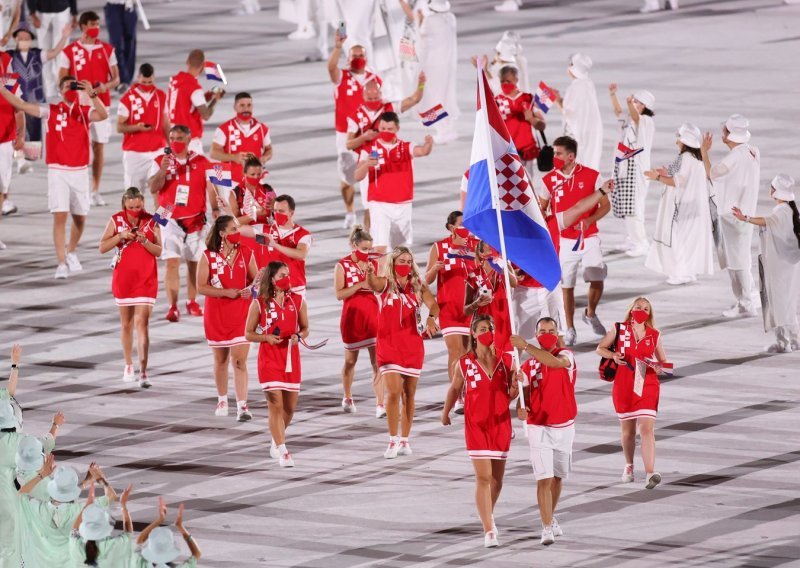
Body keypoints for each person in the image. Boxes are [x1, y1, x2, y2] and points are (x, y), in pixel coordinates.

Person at [0, 74, 108, 278]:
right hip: (58, 171)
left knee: (80, 218)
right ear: (59, 91)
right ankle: (61, 263)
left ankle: (72, 251)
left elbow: (102, 115)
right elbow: (22, 105)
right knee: (60, 216)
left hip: (79, 172)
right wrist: (3, 90)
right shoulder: (51, 110)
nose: (69, 88)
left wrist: (92, 93)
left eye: (72, 85)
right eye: (65, 85)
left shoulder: (84, 112)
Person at [442, 314, 517, 548]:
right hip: (476, 426)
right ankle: (489, 529)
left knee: (497, 480)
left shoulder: (507, 361)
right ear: (473, 334)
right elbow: (455, 389)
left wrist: (516, 385)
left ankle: (487, 513)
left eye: (491, 328)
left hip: (501, 424)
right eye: (483, 328)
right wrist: (445, 413)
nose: (488, 331)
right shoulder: (464, 363)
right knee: (483, 477)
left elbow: (511, 395)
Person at [365, 246, 440, 459]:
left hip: (413, 345)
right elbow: (373, 284)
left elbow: (434, 305)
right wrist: (369, 274)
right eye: (401, 261)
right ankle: (392, 439)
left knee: (409, 394)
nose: (405, 265)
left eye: (408, 261)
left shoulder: (418, 285)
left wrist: (431, 318)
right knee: (394, 392)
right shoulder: (386, 284)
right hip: (388, 345)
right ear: (393, 263)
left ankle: (405, 439)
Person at [538, 135, 613, 346]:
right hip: (564, 240)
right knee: (567, 285)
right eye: (554, 153)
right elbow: (541, 209)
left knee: (596, 277)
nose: (555, 157)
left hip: (588, 237)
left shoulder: (592, 176)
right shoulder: (548, 181)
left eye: (559, 153)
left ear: (571, 156)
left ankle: (590, 313)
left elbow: (605, 205)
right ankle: (569, 327)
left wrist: (590, 219)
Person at [512, 317, 577, 546]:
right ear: (536, 333)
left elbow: (555, 364)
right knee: (544, 479)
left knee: (558, 478)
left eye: (551, 330)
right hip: (538, 426)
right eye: (542, 331)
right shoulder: (528, 366)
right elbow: (521, 398)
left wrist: (525, 346)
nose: (547, 334)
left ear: (557, 333)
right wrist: (520, 406)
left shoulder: (567, 355)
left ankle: (549, 515)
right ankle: (546, 527)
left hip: (565, 427)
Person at [596, 297, 669, 489]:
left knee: (646, 429)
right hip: (624, 385)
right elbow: (600, 348)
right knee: (628, 431)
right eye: (638, 307)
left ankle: (650, 473)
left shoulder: (655, 334)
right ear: (631, 309)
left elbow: (666, 364)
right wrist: (613, 355)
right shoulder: (619, 329)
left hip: (647, 384)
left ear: (649, 313)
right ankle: (629, 465)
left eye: (646, 308)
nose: (641, 311)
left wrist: (659, 367)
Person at [148, 124, 216, 322]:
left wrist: (216, 209)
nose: (175, 142)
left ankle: (192, 301)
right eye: (172, 138)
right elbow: (153, 187)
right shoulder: (160, 160)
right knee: (172, 262)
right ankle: (172, 306)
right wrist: (162, 170)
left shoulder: (202, 161)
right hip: (168, 217)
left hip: (196, 218)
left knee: (194, 262)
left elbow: (214, 186)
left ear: (188, 139)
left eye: (179, 138)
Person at [245, 261, 309, 467]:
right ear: (271, 279)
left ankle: (276, 438)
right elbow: (248, 333)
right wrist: (265, 338)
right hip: (269, 359)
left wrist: (298, 336)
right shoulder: (259, 302)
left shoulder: (298, 300)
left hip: (291, 359)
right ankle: (283, 451)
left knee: (289, 408)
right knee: (275, 404)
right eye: (282, 275)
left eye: (288, 275)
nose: (287, 278)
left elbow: (306, 328)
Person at [98, 187, 162, 387]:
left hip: (146, 280)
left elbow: (159, 250)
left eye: (139, 206)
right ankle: (128, 365)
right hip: (124, 279)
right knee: (126, 324)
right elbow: (102, 247)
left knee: (142, 323)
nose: (136, 210)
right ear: (124, 205)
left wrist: (144, 242)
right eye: (131, 207)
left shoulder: (152, 220)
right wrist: (121, 236)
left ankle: (143, 371)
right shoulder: (116, 220)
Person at [197, 215, 258, 421]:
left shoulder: (246, 252)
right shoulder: (207, 256)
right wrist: (226, 293)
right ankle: (222, 399)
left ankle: (243, 406)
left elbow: (255, 281)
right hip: (217, 314)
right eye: (233, 229)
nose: (237, 232)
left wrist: (252, 290)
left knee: (239, 361)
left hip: (242, 314)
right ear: (222, 234)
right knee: (221, 360)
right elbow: (201, 286)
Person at [58, 10, 121, 206]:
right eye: (93, 24)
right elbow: (62, 79)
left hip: (100, 104)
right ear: (83, 26)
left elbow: (117, 78)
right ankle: (77, 189)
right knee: (78, 147)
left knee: (99, 147)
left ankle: (95, 190)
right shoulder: (69, 51)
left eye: (98, 25)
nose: (96, 28)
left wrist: (106, 86)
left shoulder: (107, 49)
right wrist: (72, 95)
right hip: (78, 106)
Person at [700, 114, 761, 317]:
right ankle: (750, 294)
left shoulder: (732, 159)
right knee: (743, 256)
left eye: (725, 131)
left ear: (730, 134)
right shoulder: (753, 151)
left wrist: (704, 153)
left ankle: (745, 303)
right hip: (746, 213)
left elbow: (711, 174)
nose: (722, 134)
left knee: (736, 261)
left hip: (732, 216)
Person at [345, 75, 425, 228]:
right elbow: (349, 144)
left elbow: (414, 99)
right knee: (370, 206)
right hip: (369, 161)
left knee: (393, 204)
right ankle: (368, 243)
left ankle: (392, 241)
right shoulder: (356, 116)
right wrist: (364, 137)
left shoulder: (389, 108)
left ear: (381, 94)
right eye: (370, 96)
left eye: (377, 96)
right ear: (363, 95)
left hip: (390, 162)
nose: (374, 99)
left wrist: (421, 84)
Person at [732, 174, 800, 353]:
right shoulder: (791, 210)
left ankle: (782, 342)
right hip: (791, 265)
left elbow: (767, 221)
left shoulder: (781, 211)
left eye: (772, 187)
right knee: (789, 302)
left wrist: (745, 218)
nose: (769, 190)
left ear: (777, 191)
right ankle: (794, 338)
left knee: (778, 303)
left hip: (779, 266)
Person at [645, 123, 714, 285]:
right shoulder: (696, 159)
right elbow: (681, 175)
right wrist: (666, 172)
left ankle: (680, 273)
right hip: (694, 206)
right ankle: (688, 272)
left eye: (679, 139)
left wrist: (656, 177)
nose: (677, 142)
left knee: (679, 241)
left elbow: (678, 182)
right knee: (688, 240)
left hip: (683, 207)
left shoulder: (685, 158)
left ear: (685, 142)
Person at [354, 112, 433, 251]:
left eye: (389, 129)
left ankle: (396, 273)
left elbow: (423, 151)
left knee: (400, 249)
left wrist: (428, 144)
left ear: (397, 128)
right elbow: (357, 176)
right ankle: (378, 273)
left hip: (403, 204)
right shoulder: (369, 149)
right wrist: (366, 164)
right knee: (380, 248)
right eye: (383, 128)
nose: (385, 132)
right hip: (379, 203)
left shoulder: (406, 147)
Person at [6, 21, 73, 186]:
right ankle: (20, 160)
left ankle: (27, 158)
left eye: (26, 37)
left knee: (34, 132)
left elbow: (55, 52)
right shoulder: (9, 56)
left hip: (36, 98)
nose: (23, 39)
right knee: (19, 129)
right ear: (15, 39)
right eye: (20, 37)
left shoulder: (37, 54)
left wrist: (64, 36)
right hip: (17, 98)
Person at [17, 459, 117, 568]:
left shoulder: (37, 508)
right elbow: (111, 496)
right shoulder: (80, 510)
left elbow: (21, 494)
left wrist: (42, 475)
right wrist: (101, 479)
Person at [328, 28, 381, 228]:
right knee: (347, 175)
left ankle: (370, 215)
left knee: (371, 174)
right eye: (354, 55)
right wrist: (338, 46)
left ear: (366, 58)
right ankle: (350, 211)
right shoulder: (341, 77)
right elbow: (331, 67)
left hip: (369, 136)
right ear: (348, 58)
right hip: (346, 134)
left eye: (361, 55)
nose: (358, 58)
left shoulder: (373, 79)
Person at [0, 399, 62, 567]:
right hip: (7, 504)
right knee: (8, 549)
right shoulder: (16, 441)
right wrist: (55, 426)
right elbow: (43, 445)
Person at [424, 211, 473, 413]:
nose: (465, 228)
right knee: (456, 351)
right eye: (461, 225)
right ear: (452, 227)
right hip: (449, 308)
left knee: (470, 353)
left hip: (472, 307)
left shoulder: (475, 245)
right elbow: (426, 280)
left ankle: (469, 391)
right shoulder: (440, 247)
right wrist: (435, 268)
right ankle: (458, 395)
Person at [334, 224, 383, 416]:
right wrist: (360, 284)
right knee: (350, 361)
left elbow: (381, 287)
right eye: (364, 249)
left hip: (373, 315)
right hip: (352, 318)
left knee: (377, 362)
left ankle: (380, 404)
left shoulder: (375, 264)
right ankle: (347, 395)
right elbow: (339, 294)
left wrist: (374, 281)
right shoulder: (342, 265)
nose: (368, 252)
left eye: (370, 249)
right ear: (354, 246)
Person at [608, 84, 656, 257]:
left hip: (635, 171)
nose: (634, 104)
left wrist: (630, 104)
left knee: (634, 208)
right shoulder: (629, 118)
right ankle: (631, 238)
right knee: (625, 207)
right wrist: (613, 95)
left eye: (637, 101)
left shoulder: (646, 122)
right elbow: (618, 112)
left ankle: (641, 243)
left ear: (644, 106)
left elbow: (636, 117)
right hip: (623, 168)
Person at [117, 63, 171, 199]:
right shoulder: (127, 99)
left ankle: (159, 221)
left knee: (161, 193)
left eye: (150, 82)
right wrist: (137, 127)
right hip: (134, 155)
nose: (147, 85)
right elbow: (120, 127)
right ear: (138, 78)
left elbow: (165, 123)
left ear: (154, 79)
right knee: (133, 196)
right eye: (143, 82)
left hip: (157, 152)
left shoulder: (161, 96)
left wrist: (172, 146)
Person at [415, 0, 459, 144]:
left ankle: (443, 131)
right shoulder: (451, 18)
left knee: (434, 98)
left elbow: (420, 40)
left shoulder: (431, 21)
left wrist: (419, 21)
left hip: (434, 65)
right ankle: (448, 128)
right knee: (445, 96)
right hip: (449, 64)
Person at [210, 91, 273, 186]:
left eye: (249, 105)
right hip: (231, 181)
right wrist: (234, 157)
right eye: (242, 105)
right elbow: (213, 153)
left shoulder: (261, 129)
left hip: (255, 181)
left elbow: (269, 149)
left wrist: (264, 158)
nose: (246, 109)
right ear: (235, 107)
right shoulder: (225, 129)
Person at [168, 49, 224, 155]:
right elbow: (206, 115)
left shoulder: (174, 81)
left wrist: (208, 95)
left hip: (173, 137)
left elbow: (186, 102)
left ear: (187, 62)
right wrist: (215, 99)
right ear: (203, 67)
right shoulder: (194, 88)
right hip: (190, 141)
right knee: (198, 171)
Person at [465, 242, 517, 355]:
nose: (493, 251)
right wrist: (476, 304)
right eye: (489, 249)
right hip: (484, 326)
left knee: (507, 362)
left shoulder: (504, 267)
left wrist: (502, 268)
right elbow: (466, 310)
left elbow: (514, 283)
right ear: (481, 253)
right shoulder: (473, 275)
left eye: (495, 248)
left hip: (504, 325)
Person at [554, 53, 603, 171]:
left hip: (577, 138)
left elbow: (570, 115)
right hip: (590, 136)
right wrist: (560, 99)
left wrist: (556, 100)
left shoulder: (576, 87)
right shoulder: (588, 84)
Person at [69, 483, 134, 567]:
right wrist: (123, 505)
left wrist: (123, 505)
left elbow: (128, 533)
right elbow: (74, 530)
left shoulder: (111, 545)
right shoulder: (76, 547)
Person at [261, 194, 313, 298]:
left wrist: (275, 245)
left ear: (291, 213)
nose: (277, 214)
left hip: (295, 290)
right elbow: (239, 229)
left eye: (281, 211)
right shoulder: (266, 230)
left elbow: (300, 254)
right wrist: (228, 212)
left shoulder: (303, 234)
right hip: (272, 289)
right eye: (275, 211)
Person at [495, 65, 545, 173]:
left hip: (527, 149)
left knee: (528, 182)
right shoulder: (497, 101)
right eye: (502, 81)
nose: (505, 84)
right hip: (506, 151)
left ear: (516, 80)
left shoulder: (528, 98)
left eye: (508, 81)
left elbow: (542, 125)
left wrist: (531, 119)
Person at [227, 156, 275, 267]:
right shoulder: (235, 193)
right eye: (252, 174)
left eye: (259, 174)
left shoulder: (268, 189)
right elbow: (235, 222)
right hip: (247, 235)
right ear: (244, 173)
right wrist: (254, 214)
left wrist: (274, 207)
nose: (256, 177)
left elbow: (276, 214)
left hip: (266, 234)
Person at [27, 0, 77, 99]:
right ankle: (49, 88)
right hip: (41, 12)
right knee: (45, 51)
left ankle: (61, 86)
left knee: (61, 52)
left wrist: (74, 14)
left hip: (62, 10)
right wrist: (32, 13)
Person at [0, 46, 23, 250]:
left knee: (1, 187)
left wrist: (21, 134)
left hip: (4, 141)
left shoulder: (10, 82)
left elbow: (19, 109)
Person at [134, 499, 202, 567]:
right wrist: (180, 527)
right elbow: (196, 554)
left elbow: (140, 541)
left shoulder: (143, 564)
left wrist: (159, 520)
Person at [104, 0, 138, 91]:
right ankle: (120, 79)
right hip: (113, 7)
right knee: (116, 44)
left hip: (129, 6)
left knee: (130, 43)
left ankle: (127, 79)